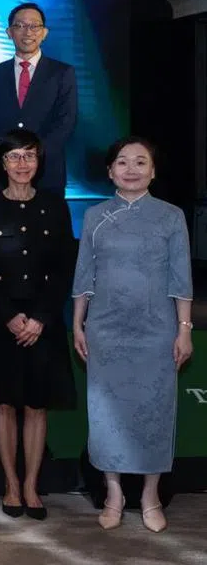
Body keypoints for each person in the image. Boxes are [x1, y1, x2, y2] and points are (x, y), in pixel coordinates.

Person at [72, 137, 193, 534]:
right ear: (110, 171)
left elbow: (181, 278)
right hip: (105, 330)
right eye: (122, 162)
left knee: (155, 413)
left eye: (140, 162)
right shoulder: (95, 216)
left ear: (153, 171)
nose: (131, 169)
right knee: (105, 414)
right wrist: (78, 322)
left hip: (157, 332)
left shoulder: (171, 216)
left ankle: (150, 496)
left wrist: (184, 329)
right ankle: (112, 494)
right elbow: (84, 275)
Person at [0, 129, 76, 521]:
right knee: (4, 403)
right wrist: (9, 317)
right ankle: (10, 484)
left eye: (29, 156)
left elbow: (64, 269)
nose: (21, 164)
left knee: (36, 404)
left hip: (42, 322)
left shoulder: (56, 206)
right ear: (1, 164)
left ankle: (32, 485)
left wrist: (42, 318)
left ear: (39, 162)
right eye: (13, 157)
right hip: (1, 321)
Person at [0, 2, 77, 194]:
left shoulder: (62, 73)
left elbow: (66, 120)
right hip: (1, 172)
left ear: (44, 32)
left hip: (47, 172)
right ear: (9, 32)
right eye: (20, 25)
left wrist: (33, 157)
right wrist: (9, 156)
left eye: (34, 26)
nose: (27, 32)